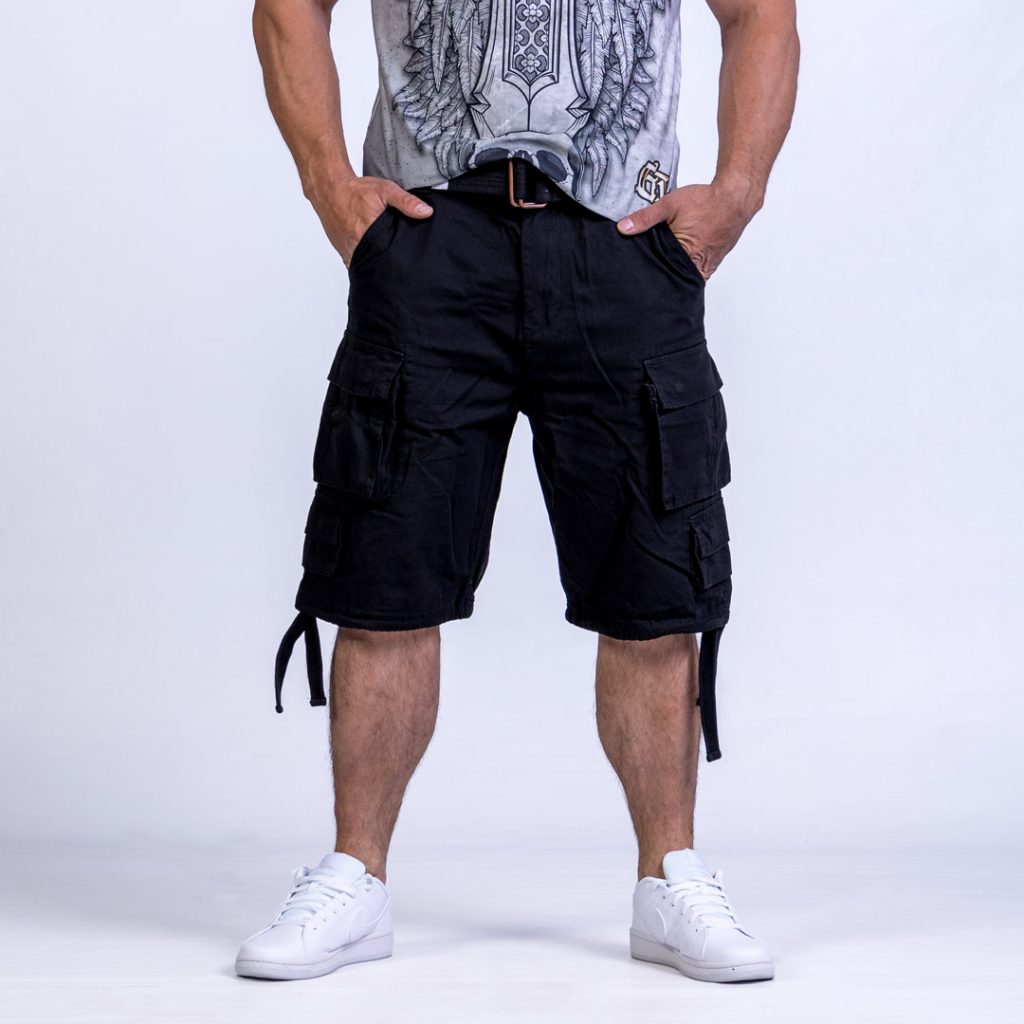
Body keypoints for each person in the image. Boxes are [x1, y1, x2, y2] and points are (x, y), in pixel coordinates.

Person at [235, 0, 799, 984]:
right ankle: (355, 876)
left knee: (653, 571)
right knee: (385, 559)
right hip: (431, 233)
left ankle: (668, 876)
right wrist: (330, 186)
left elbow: (759, 11)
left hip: (622, 237)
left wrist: (737, 192)